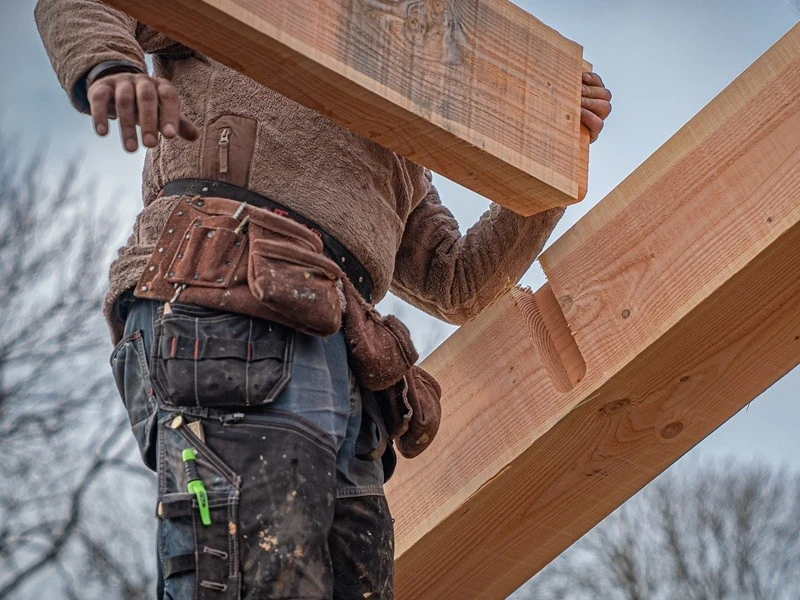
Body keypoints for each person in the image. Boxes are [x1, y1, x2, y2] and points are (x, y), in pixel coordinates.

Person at [35, 2, 612, 598]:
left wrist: (553, 161)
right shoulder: (261, 12)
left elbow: (456, 281)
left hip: (341, 354)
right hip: (229, 293)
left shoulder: (398, 147)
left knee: (341, 580)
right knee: (259, 573)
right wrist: (108, 67)